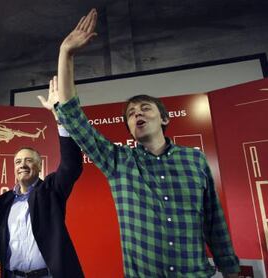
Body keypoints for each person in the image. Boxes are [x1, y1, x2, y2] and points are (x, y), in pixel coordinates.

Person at [54, 8, 240, 278]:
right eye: (131, 113)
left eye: (145, 109)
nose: (137, 113)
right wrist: (66, 54)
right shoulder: (119, 162)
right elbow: (74, 117)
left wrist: (230, 270)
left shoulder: (195, 160)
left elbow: (215, 223)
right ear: (129, 129)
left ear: (164, 118)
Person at [0, 78, 84, 278]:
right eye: (18, 162)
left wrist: (60, 118)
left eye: (28, 161)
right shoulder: (2, 202)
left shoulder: (51, 190)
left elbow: (71, 165)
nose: (22, 165)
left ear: (40, 166)